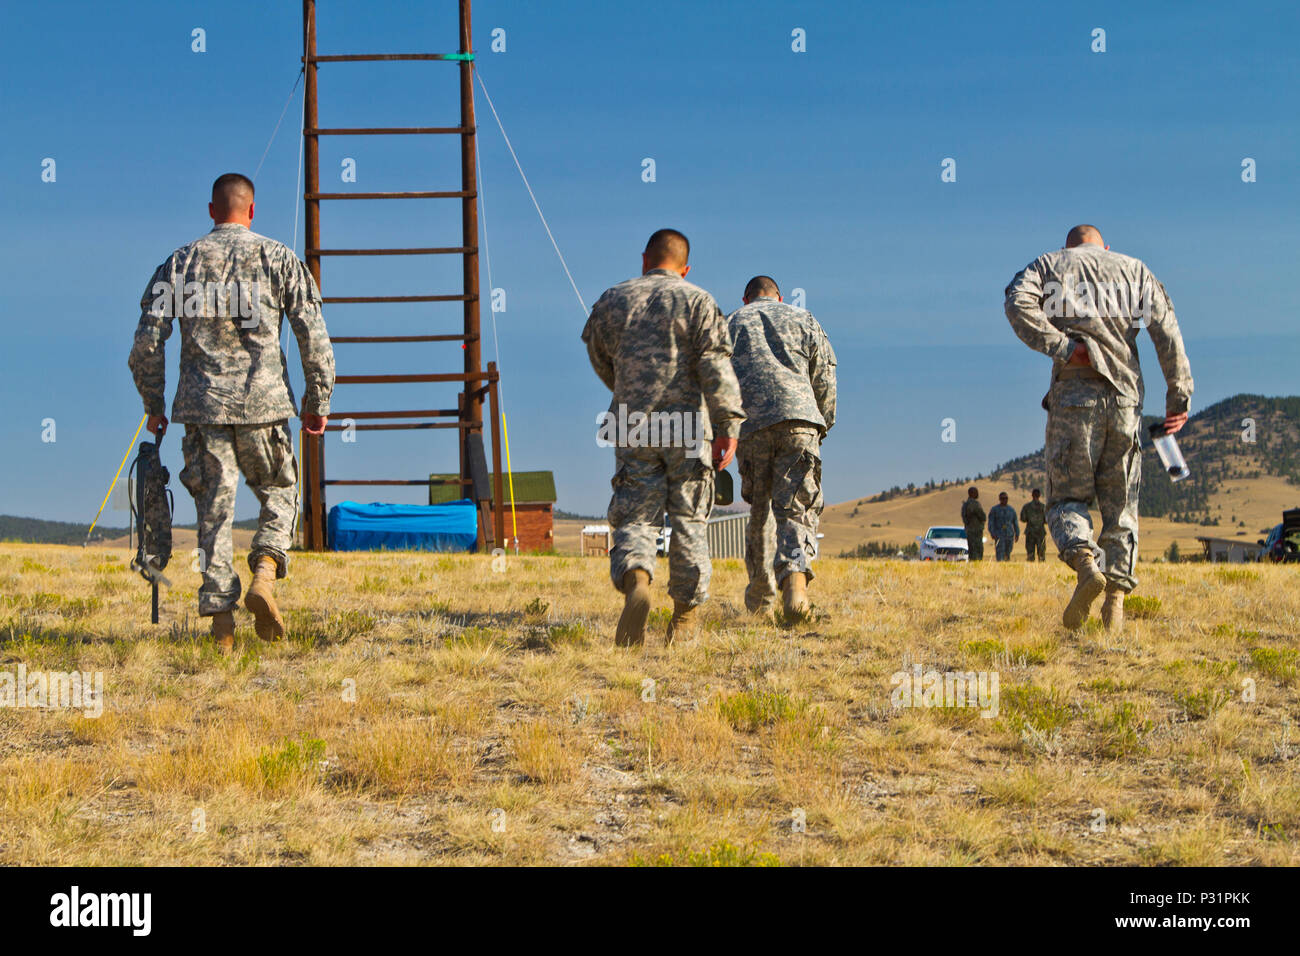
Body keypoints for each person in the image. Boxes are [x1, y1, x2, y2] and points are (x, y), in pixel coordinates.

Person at [129, 173, 334, 654]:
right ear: (252, 210)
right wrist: (317, 401)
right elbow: (315, 337)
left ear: (211, 211)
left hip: (201, 411)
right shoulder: (280, 259)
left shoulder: (180, 263)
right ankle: (265, 570)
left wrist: (153, 405)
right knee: (281, 491)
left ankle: (222, 628)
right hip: (264, 408)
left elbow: (145, 344)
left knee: (213, 517)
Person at [1004, 224, 1192, 631]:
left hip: (1075, 399)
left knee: (1066, 499)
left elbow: (1016, 302)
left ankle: (1086, 564)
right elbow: (1168, 332)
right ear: (1105, 247)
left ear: (1068, 246)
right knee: (1121, 507)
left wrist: (1063, 348)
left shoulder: (1051, 264)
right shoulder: (1135, 271)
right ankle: (1115, 607)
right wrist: (1178, 398)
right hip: (1125, 402)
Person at [581, 229, 744, 646]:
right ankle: (685, 618)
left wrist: (626, 390)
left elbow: (601, 357)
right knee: (689, 520)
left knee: (635, 515)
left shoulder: (613, 300)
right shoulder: (700, 302)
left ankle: (637, 577)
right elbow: (716, 368)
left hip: (632, 424)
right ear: (685, 268)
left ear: (644, 260)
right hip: (689, 426)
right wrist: (727, 426)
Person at [726, 275, 837, 620]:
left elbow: (712, 380)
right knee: (797, 508)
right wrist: (823, 423)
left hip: (751, 426)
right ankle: (796, 589)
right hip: (800, 422)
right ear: (780, 297)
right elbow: (825, 376)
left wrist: (720, 431)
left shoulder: (730, 323)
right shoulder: (804, 319)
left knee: (760, 510)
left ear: (746, 299)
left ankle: (760, 597)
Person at [988, 492, 1020, 561]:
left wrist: (1017, 534)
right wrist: (992, 533)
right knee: (1000, 555)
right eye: (1002, 498)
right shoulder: (994, 510)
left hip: (1009, 535)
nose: (1004, 500)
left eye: (1006, 498)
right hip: (999, 535)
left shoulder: (1011, 510)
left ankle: (1006, 569)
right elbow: (991, 523)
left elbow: (1015, 523)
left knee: (1007, 554)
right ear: (999, 499)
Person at [1020, 488, 1047, 561]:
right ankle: (1042, 570)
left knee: (1030, 553)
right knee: (1041, 554)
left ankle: (1030, 571)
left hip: (1030, 532)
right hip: (1040, 532)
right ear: (1039, 495)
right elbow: (1046, 521)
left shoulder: (1027, 507)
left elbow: (1023, 519)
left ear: (1032, 495)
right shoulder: (1043, 507)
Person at [961, 487, 986, 561]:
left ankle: (972, 562)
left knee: (971, 548)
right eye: (976, 492)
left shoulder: (965, 505)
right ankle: (977, 562)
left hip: (969, 530)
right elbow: (982, 516)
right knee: (978, 549)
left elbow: (964, 518)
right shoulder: (975, 504)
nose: (978, 494)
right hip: (976, 531)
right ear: (972, 493)